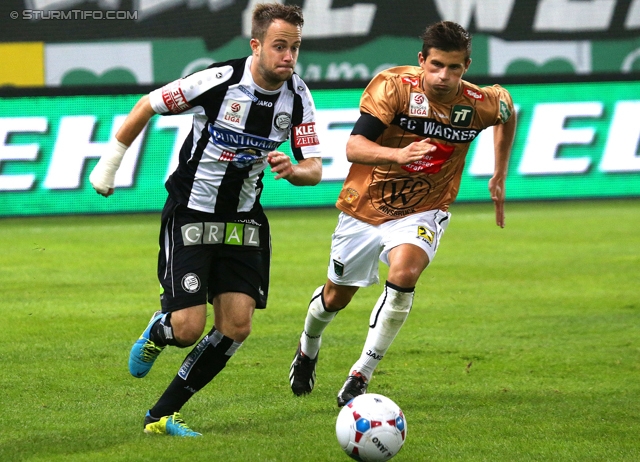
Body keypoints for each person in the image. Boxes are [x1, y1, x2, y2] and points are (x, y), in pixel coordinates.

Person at [90, 3, 322, 436]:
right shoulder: (219, 80)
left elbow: (315, 168)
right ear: (256, 46)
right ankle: (161, 331)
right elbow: (147, 105)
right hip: (192, 213)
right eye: (279, 46)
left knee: (237, 326)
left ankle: (160, 417)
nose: (289, 57)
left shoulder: (299, 96)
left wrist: (294, 171)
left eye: (295, 47)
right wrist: (109, 166)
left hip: (243, 221)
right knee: (188, 329)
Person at [289, 20, 516, 407]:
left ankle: (361, 374)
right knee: (334, 298)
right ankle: (308, 346)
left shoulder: (481, 103)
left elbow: (508, 113)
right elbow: (354, 146)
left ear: (466, 66)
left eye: (455, 68)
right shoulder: (393, 87)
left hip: (425, 208)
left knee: (404, 273)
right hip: (365, 207)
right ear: (422, 60)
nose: (444, 76)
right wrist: (399, 154)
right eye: (437, 65)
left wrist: (499, 172)